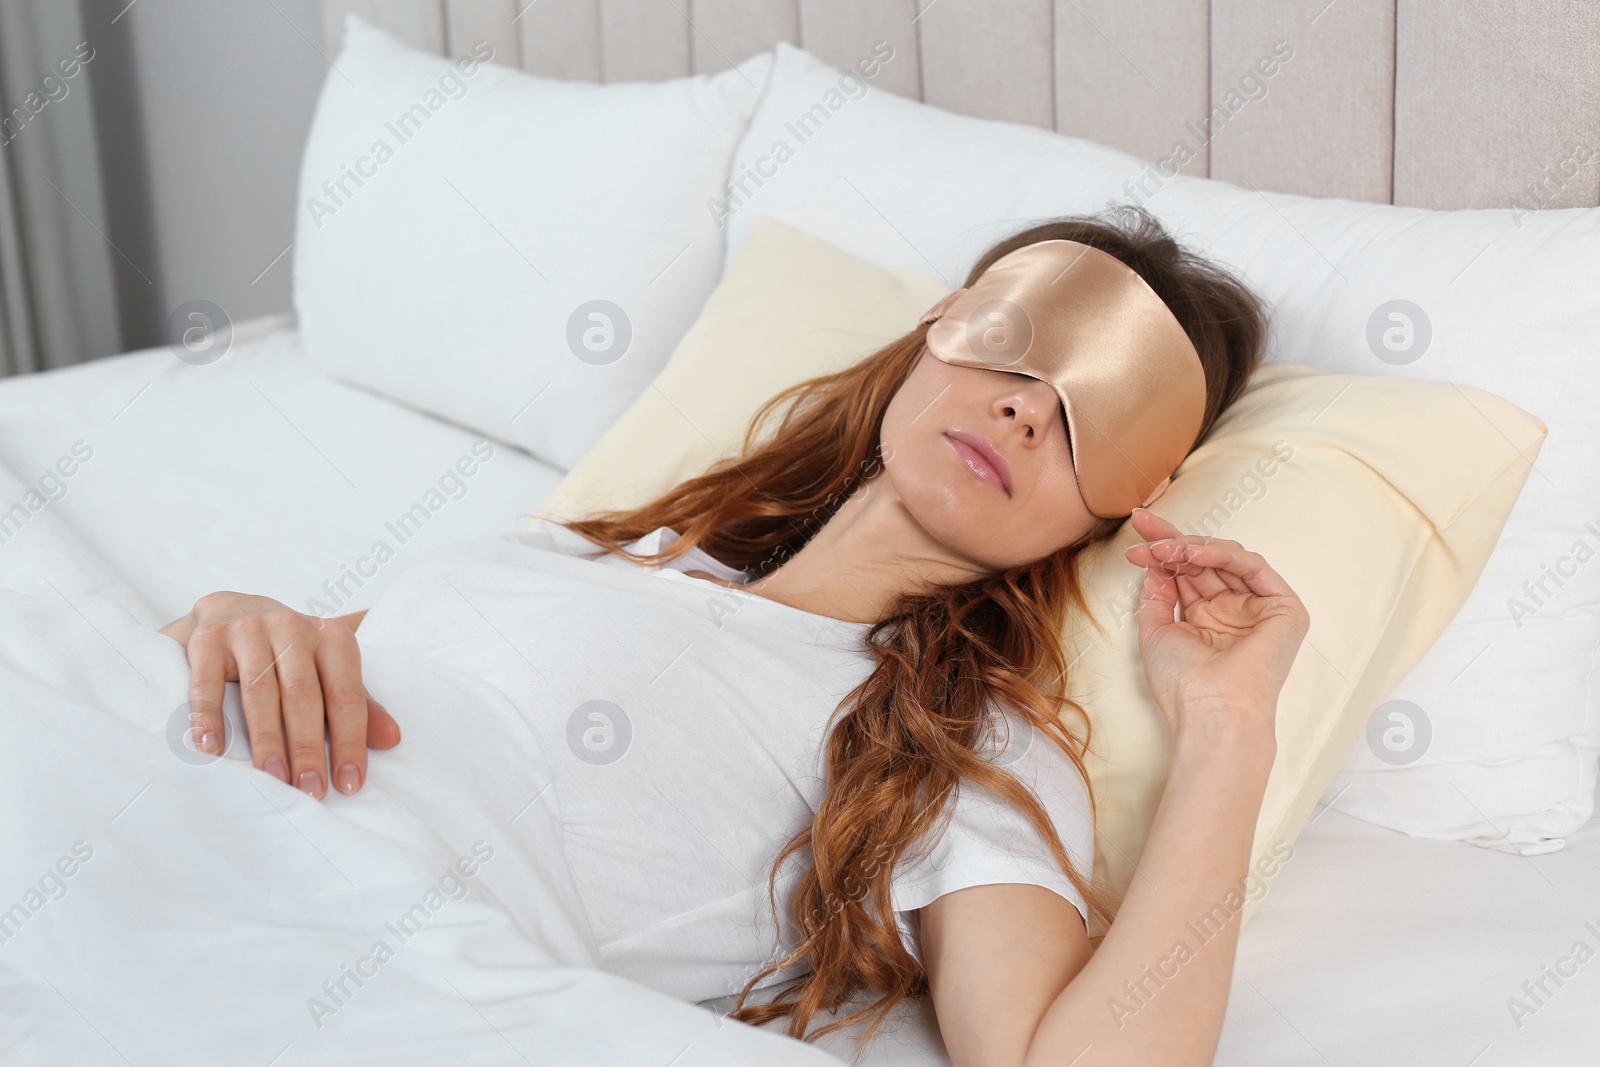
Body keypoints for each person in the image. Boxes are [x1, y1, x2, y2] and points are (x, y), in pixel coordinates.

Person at [158, 204, 1307, 1067]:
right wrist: (236, 618)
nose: (1023, 406)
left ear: (1117, 507)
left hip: (340, 957)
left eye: (1085, 423)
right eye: (1015, 351)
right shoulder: (601, 548)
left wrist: (1227, 724)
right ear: (934, 332)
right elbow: (285, 661)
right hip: (175, 801)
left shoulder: (960, 751)